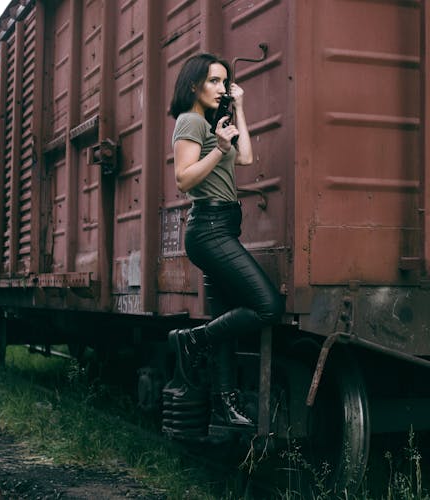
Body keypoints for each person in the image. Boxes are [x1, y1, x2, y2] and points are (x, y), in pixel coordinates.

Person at [168, 53, 284, 429]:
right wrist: (218, 148)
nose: (221, 88)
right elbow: (183, 180)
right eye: (214, 82)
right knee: (267, 305)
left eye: (224, 82)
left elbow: (247, 157)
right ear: (193, 86)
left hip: (224, 226)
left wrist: (241, 110)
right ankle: (191, 339)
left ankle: (224, 404)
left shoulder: (211, 124)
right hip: (209, 228)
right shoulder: (189, 122)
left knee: (224, 320)